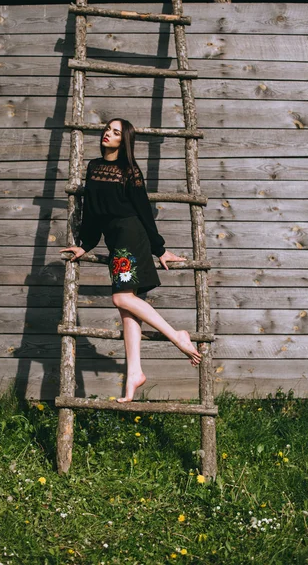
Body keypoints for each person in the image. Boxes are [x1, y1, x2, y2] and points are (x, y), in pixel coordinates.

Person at [60, 118, 201, 402]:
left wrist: (159, 249)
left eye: (115, 132)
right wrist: (85, 245)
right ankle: (134, 373)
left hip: (130, 236)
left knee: (121, 299)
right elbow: (93, 211)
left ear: (123, 140)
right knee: (128, 310)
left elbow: (143, 212)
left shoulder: (130, 171)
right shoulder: (93, 167)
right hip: (115, 239)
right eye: (107, 130)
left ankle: (177, 336)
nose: (107, 134)